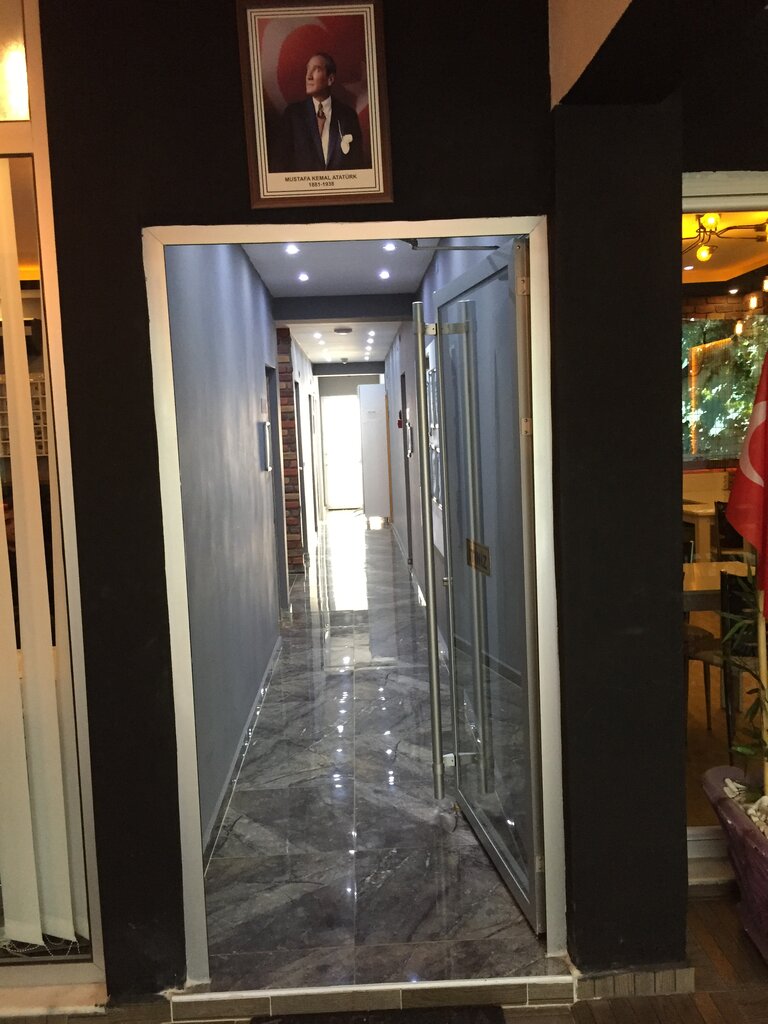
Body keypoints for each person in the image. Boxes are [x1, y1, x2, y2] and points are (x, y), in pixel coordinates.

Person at [271, 52, 366, 173]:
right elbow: (279, 165)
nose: (308, 76)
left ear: (330, 79)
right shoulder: (292, 115)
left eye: (316, 70)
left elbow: (357, 166)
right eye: (308, 69)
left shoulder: (348, 116)